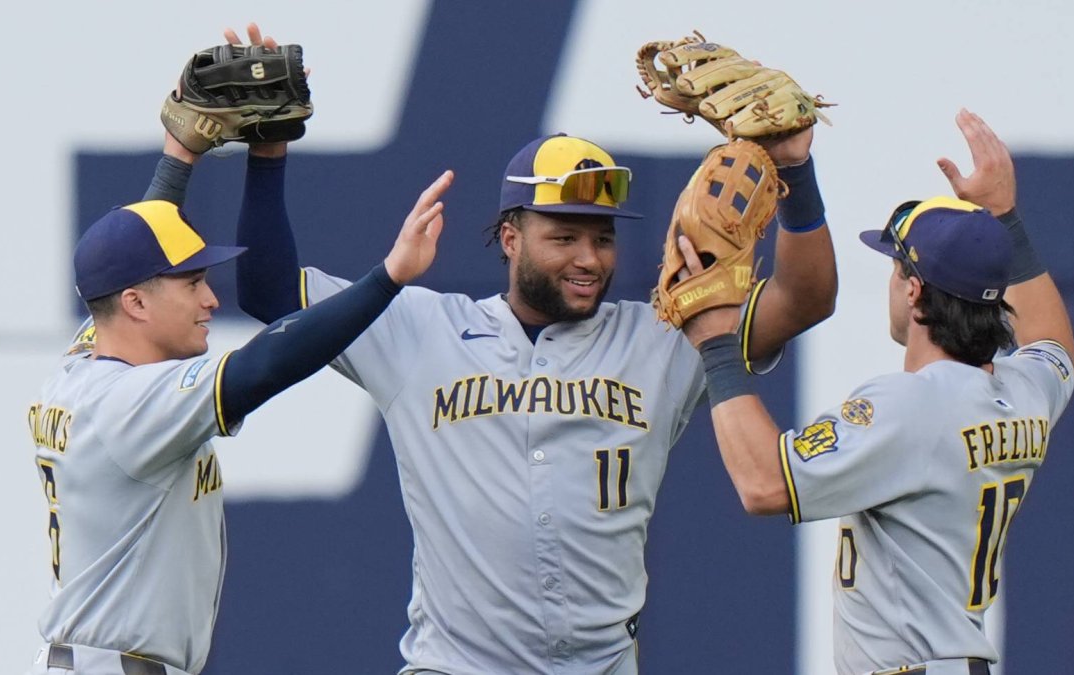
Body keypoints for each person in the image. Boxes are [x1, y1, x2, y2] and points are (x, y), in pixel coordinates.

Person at [196, 23, 837, 674]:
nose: (589, 258)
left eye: (603, 238)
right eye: (564, 236)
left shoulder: (662, 334)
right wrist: (268, 155)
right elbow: (270, 292)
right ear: (510, 237)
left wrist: (796, 171)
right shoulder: (420, 329)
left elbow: (805, 300)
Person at [26, 108, 454, 672]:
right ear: (134, 304)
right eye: (194, 283)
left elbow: (130, 258)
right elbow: (266, 363)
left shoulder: (84, 362)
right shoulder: (129, 406)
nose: (210, 300)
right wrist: (389, 276)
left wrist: (179, 156)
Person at [676, 110, 1074, 675]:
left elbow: (764, 484)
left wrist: (717, 342)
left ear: (914, 292)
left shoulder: (910, 406)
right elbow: (1053, 342)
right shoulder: (1024, 389)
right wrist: (1005, 218)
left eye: (895, 266)